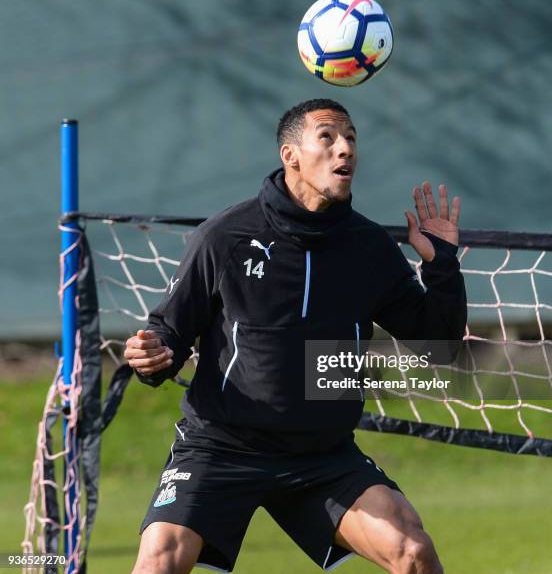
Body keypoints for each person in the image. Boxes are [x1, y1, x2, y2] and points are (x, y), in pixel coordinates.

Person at [126, 98, 466, 574]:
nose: (344, 148)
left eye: (350, 137)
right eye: (327, 137)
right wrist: (151, 356)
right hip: (221, 447)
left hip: (322, 456)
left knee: (413, 552)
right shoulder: (225, 236)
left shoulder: (370, 248)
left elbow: (440, 344)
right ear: (290, 155)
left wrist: (442, 266)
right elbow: (168, 333)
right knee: (159, 560)